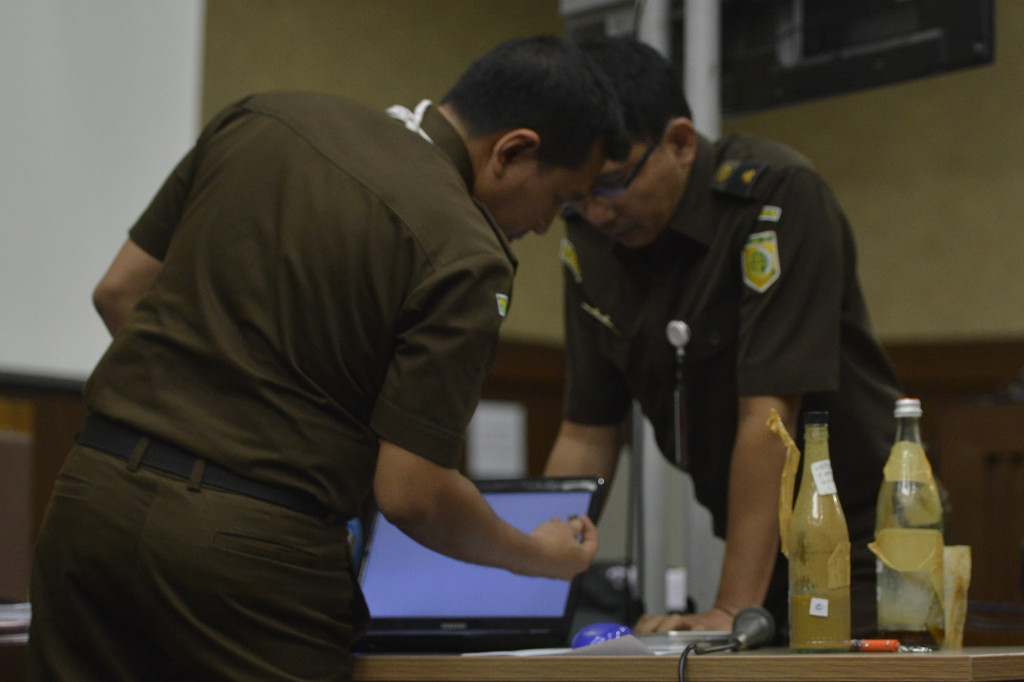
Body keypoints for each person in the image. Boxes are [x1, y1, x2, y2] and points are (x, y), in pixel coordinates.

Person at [28, 36, 629, 681]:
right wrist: (534, 556)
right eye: (561, 201)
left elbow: (120, 292)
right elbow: (412, 494)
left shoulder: (263, 118)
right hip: (251, 550)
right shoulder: (466, 251)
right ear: (515, 151)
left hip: (91, 499)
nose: (545, 228)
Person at [543, 37, 902, 642]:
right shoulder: (589, 243)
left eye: (610, 185)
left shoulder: (776, 195)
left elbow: (769, 417)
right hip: (766, 548)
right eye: (574, 196)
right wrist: (529, 588)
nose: (596, 214)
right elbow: (585, 433)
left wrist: (731, 612)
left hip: (865, 544)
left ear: (680, 142)